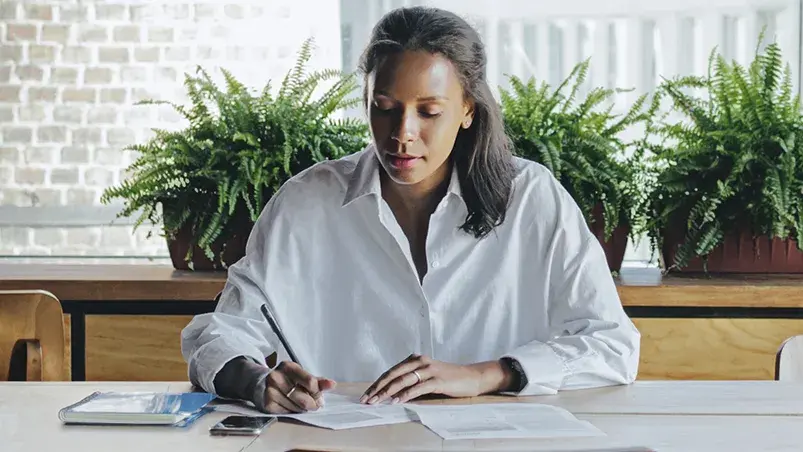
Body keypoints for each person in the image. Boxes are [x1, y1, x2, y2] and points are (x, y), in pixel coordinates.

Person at [181, 6, 640, 414]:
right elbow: (220, 332)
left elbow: (612, 344)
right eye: (384, 108)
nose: (403, 132)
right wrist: (257, 380)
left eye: (429, 111)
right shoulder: (306, 202)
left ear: (467, 110)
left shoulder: (532, 197)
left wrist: (486, 374)